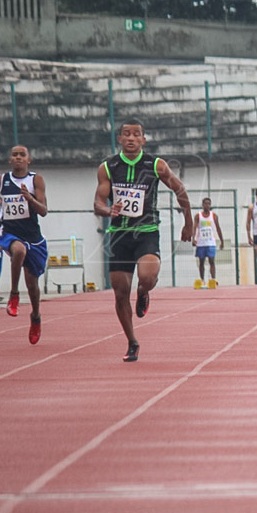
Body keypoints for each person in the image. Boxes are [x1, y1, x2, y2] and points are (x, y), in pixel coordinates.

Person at [94, 119, 193, 362]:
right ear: (119, 139)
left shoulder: (155, 165)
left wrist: (189, 222)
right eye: (126, 134)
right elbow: (97, 202)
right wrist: (108, 211)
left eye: (136, 134)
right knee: (119, 293)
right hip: (119, 235)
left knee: (147, 277)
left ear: (143, 140)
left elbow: (179, 189)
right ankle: (132, 341)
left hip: (147, 231)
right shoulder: (108, 167)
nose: (130, 138)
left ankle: (144, 291)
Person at [0, 146, 48, 344]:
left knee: (33, 285)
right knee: (18, 250)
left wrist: (29, 198)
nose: (18, 158)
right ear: (10, 159)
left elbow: (43, 211)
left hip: (33, 237)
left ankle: (36, 316)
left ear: (28, 160)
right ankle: (14, 294)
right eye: (14, 155)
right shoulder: (2, 180)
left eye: (22, 155)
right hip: (9, 232)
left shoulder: (35, 180)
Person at [192, 197, 224, 284]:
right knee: (201, 262)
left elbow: (218, 228)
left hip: (211, 242)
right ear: (202, 205)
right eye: (205, 203)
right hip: (201, 242)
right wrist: (193, 238)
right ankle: (202, 280)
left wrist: (222, 241)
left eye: (209, 204)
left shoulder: (213, 216)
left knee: (211, 260)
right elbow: (194, 227)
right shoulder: (198, 216)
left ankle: (213, 279)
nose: (207, 205)